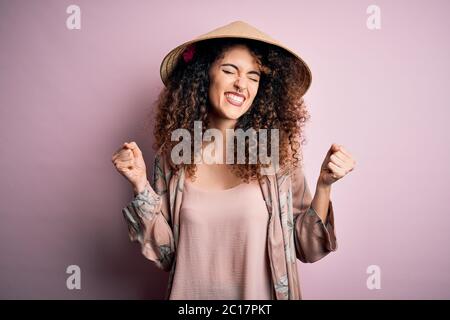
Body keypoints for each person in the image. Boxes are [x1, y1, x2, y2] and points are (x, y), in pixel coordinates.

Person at [112, 21, 356, 300]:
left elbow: (307, 248)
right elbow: (165, 254)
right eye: (230, 70)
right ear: (203, 76)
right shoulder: (173, 157)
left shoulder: (277, 157)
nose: (242, 84)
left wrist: (325, 185)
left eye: (254, 76)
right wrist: (140, 185)